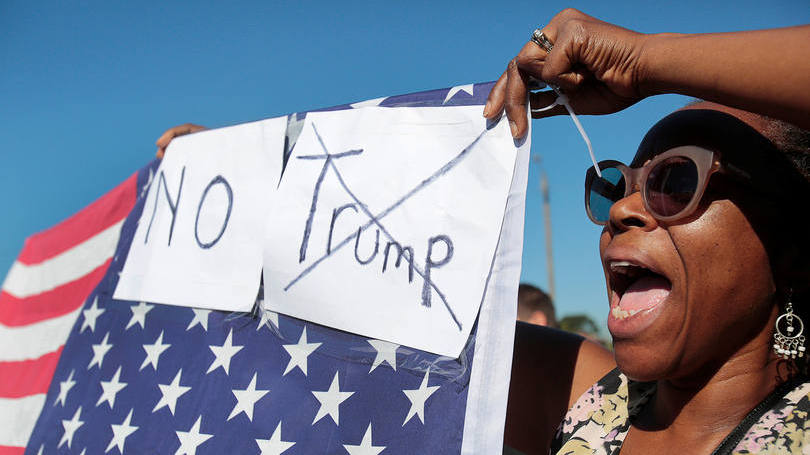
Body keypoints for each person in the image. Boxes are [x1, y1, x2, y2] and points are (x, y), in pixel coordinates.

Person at [489, 9, 810, 455]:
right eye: (615, 186)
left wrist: (643, 61)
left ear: (792, 245)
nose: (621, 209)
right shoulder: (580, 400)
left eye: (677, 181)